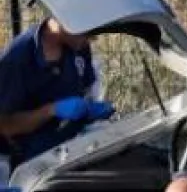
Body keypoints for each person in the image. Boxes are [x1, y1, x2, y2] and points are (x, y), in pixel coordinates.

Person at [0, 14, 115, 171]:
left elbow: (87, 88)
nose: (92, 39)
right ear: (65, 18)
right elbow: (5, 126)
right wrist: (51, 110)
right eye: (88, 31)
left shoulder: (79, 46)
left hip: (72, 148)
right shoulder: (18, 58)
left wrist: (90, 109)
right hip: (32, 163)